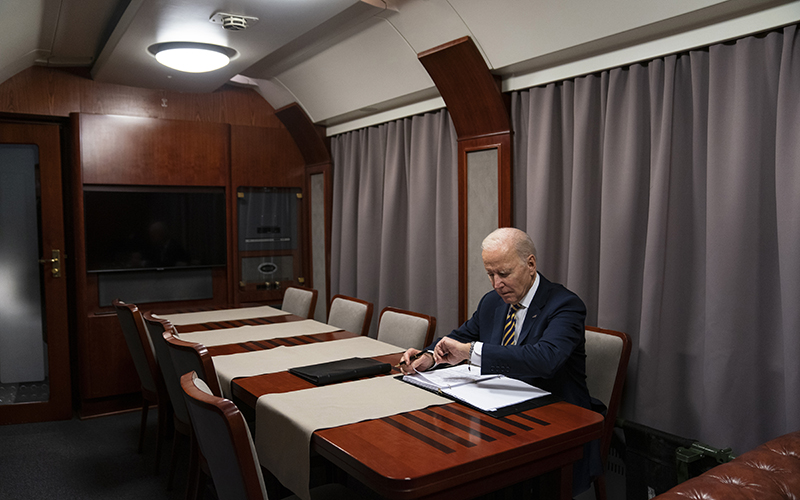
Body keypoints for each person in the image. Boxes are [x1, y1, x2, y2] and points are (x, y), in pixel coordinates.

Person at [399, 227, 601, 495]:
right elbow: (460, 337)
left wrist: (471, 352)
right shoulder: (492, 302)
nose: (496, 284)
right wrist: (428, 357)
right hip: (497, 410)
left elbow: (546, 358)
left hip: (552, 420)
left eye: (503, 274)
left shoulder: (564, 304)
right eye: (490, 275)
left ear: (530, 264)